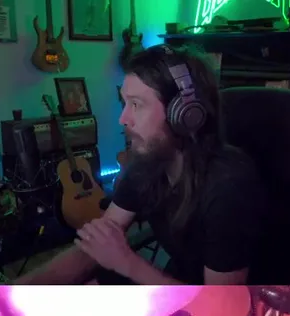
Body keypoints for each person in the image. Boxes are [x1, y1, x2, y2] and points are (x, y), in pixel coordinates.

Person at [20, 46, 269, 285]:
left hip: (249, 305)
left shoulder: (228, 188)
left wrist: (127, 262)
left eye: (136, 104)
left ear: (185, 115)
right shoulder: (148, 164)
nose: (123, 119)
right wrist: (17, 287)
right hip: (177, 285)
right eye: (124, 103)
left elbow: (222, 306)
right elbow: (95, 245)